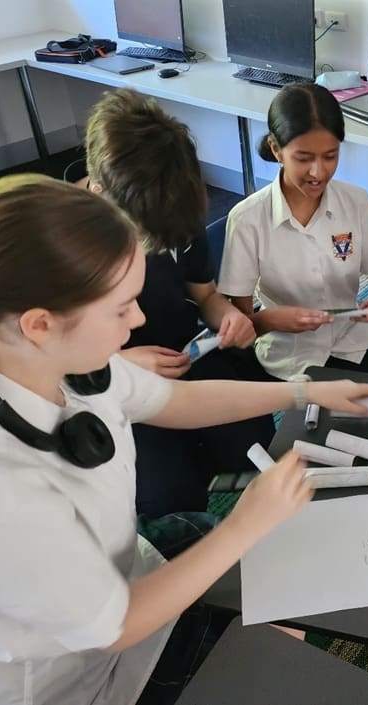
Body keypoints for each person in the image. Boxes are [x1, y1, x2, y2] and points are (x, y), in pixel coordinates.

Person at [0, 174, 368, 705]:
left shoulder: (40, 360)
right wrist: (245, 523)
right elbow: (115, 626)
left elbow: (177, 402)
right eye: (121, 308)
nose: (139, 319)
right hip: (65, 678)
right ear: (41, 324)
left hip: (116, 566)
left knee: (279, 573)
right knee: (274, 620)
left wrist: (302, 393)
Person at [83, 88, 274, 516]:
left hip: (185, 355)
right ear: (98, 193)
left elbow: (203, 292)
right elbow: (49, 371)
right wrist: (119, 364)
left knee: (254, 442)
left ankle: (195, 454)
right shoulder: (59, 249)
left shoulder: (172, 210)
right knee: (168, 499)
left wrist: (227, 315)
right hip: (107, 381)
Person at [217, 82, 368, 380]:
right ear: (276, 149)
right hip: (286, 360)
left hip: (351, 347)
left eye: (330, 156)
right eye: (304, 159)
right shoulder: (247, 219)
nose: (319, 172)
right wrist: (272, 319)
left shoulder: (356, 202)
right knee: (306, 426)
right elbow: (242, 326)